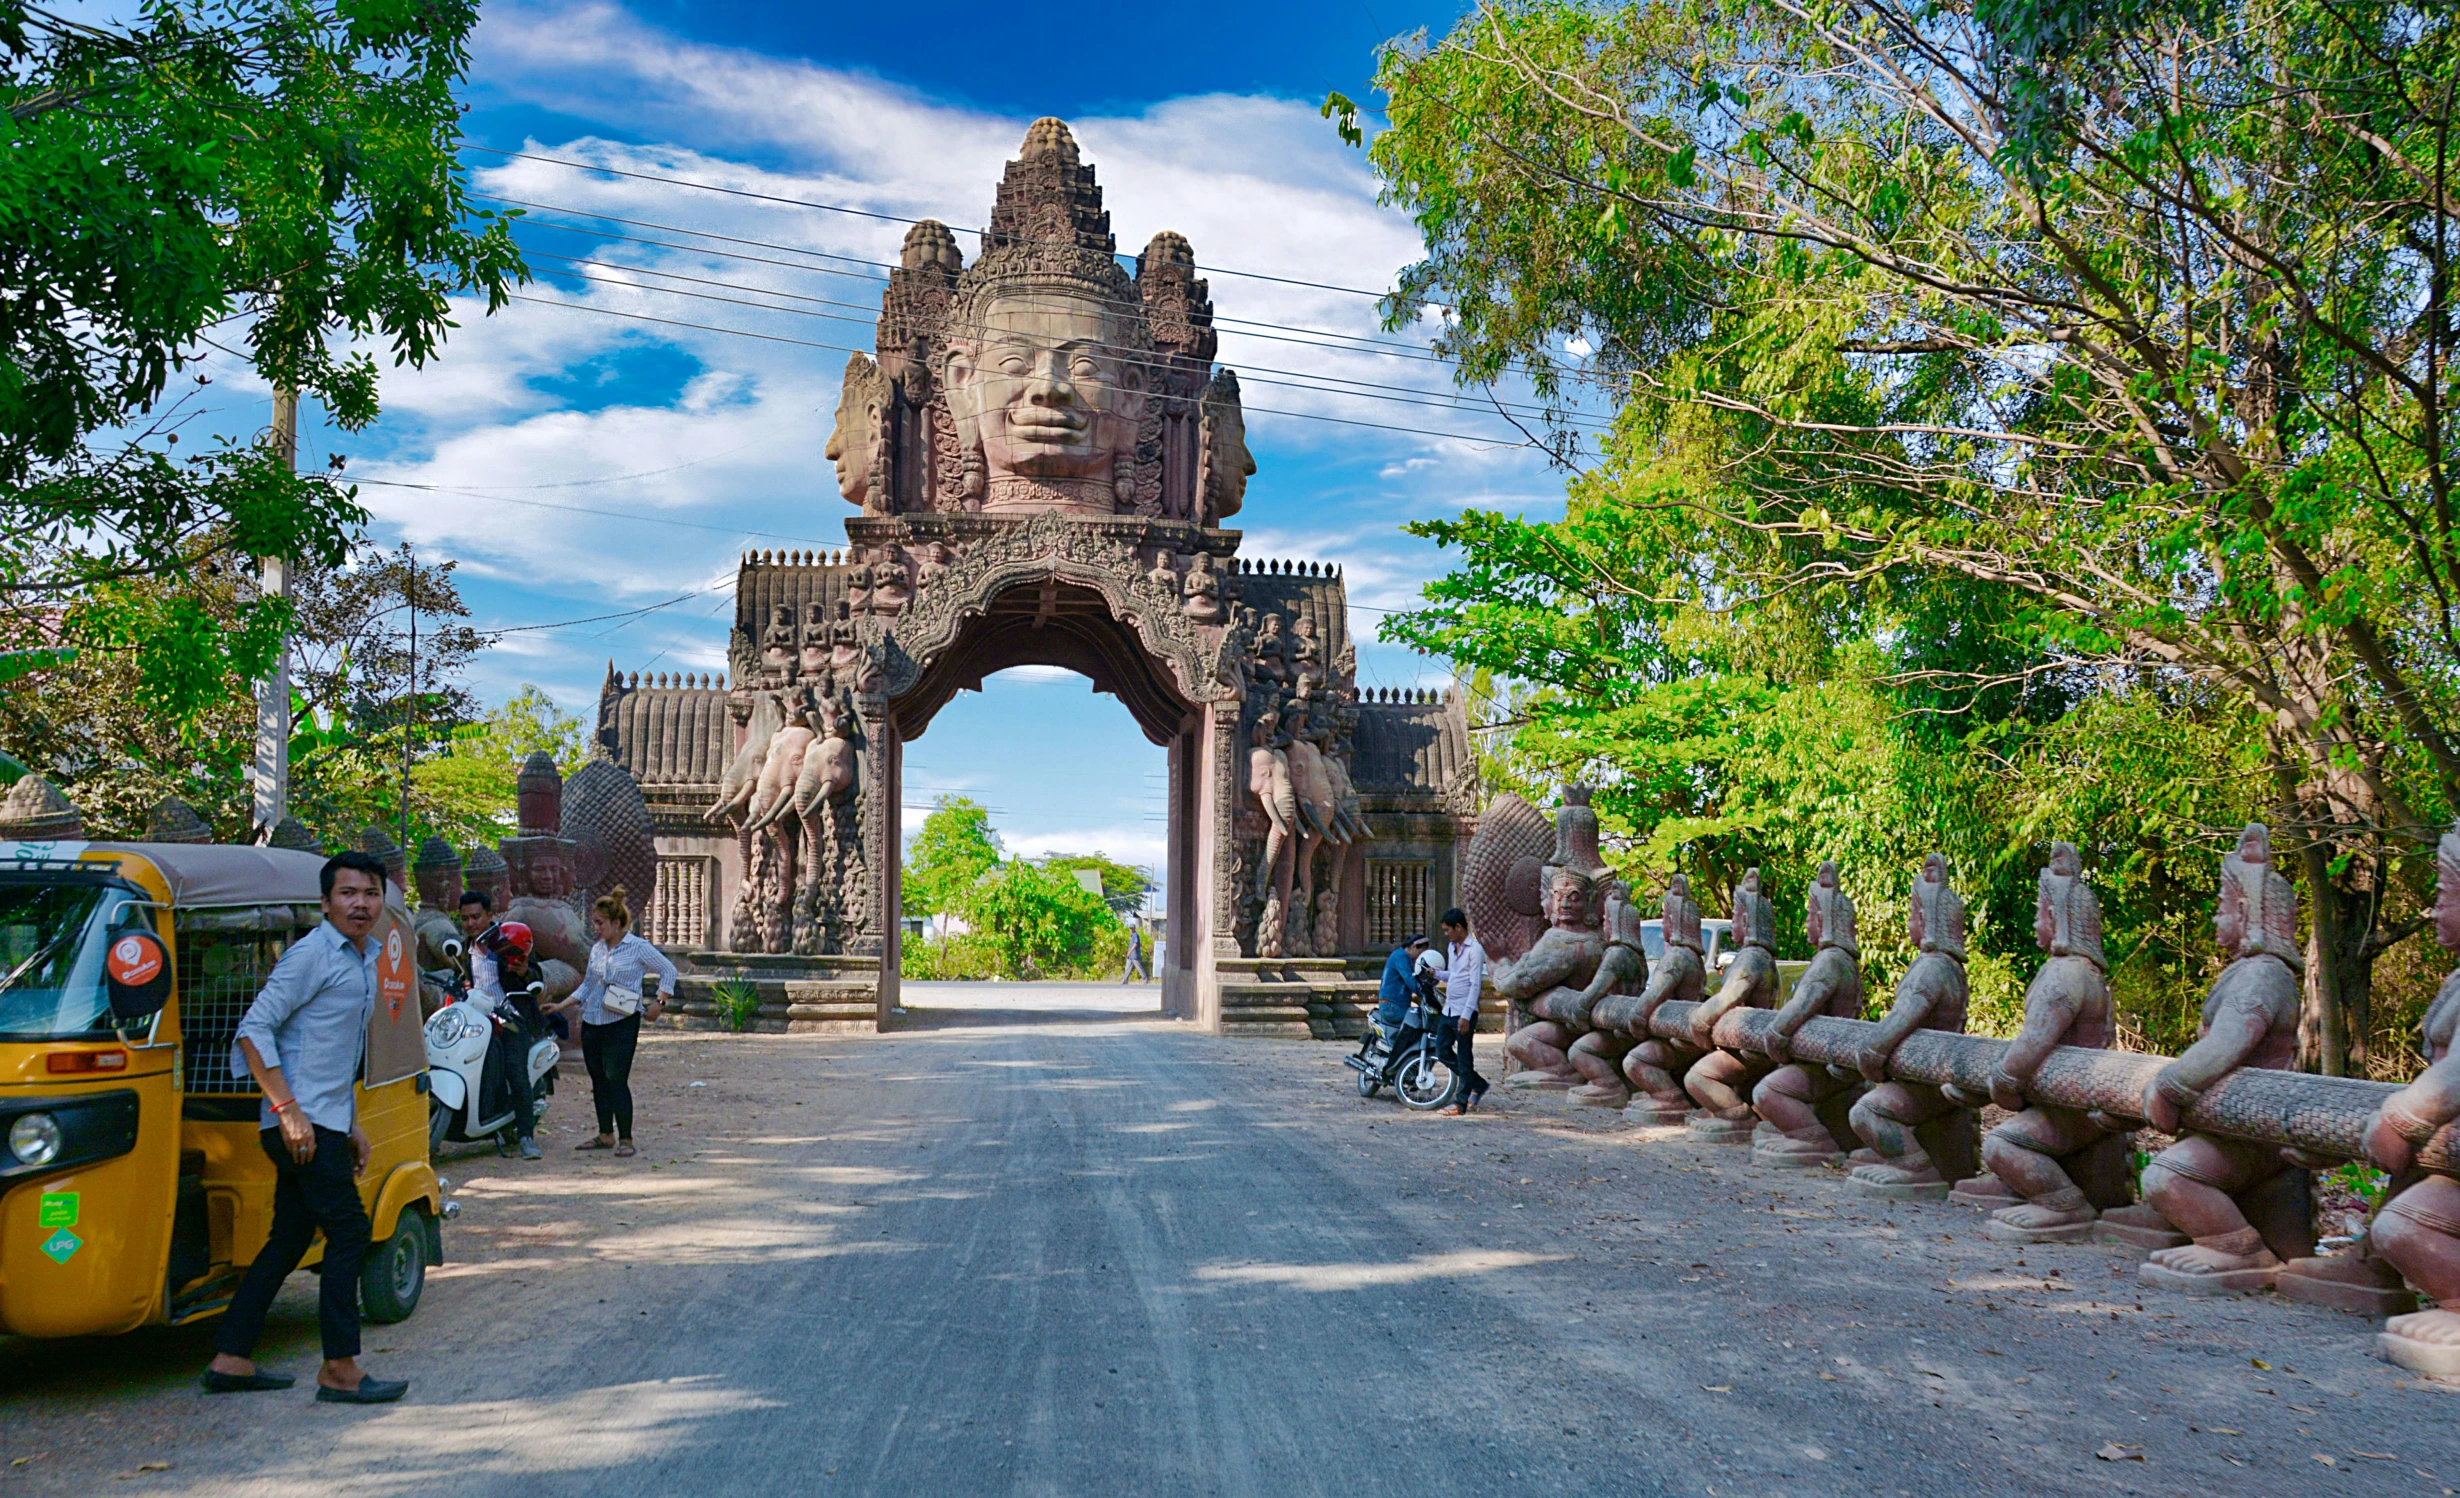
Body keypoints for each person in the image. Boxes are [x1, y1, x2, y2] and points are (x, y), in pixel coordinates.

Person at [202, 851, 409, 1404]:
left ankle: (231, 1358)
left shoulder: (362, 960)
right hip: (296, 1120)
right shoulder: (311, 955)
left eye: (370, 893)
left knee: (289, 1238)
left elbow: (331, 1054)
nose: (360, 903)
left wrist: (352, 1124)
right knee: (350, 1232)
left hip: (324, 1119)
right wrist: (288, 1111)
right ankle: (339, 1369)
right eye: (348, 893)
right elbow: (253, 1031)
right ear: (325, 903)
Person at [571, 887, 676, 1158]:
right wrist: (560, 1005)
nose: (595, 928)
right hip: (593, 1019)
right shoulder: (596, 949)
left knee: (616, 1078)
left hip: (622, 1020)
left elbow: (669, 970)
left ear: (616, 924)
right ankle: (605, 1133)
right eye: (594, 922)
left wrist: (659, 1003)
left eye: (600, 923)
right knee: (598, 1079)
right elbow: (587, 985)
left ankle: (626, 1137)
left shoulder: (637, 947)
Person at [471, 921, 547, 1161]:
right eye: (465, 918)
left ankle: (526, 1136)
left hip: (510, 1019)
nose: (471, 923)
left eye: (476, 917)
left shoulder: (509, 943)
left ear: (488, 917)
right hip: (476, 1019)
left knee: (516, 1071)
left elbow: (535, 974)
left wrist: (524, 972)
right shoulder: (465, 948)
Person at [1438, 907, 1490, 1115]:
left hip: (1464, 1012)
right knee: (1441, 1050)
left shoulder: (1475, 950)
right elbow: (1454, 975)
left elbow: (1474, 984)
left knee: (1464, 1057)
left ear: (1458, 927)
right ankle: (1477, 1083)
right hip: (1449, 1009)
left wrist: (1466, 1016)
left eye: (1447, 930)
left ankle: (1460, 1103)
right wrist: (1437, 974)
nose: (1446, 934)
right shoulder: (1452, 948)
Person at [1372, 934, 1431, 1078]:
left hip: (1396, 1006)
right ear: (1412, 947)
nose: (1419, 957)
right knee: (1417, 1021)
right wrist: (1425, 992)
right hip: (1391, 1007)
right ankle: (1400, 1059)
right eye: (1420, 953)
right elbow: (1411, 980)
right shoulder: (1401, 957)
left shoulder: (1406, 959)